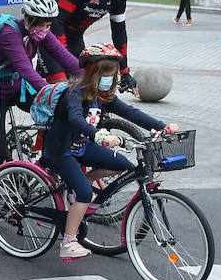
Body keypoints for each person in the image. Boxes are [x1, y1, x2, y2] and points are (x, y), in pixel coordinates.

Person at [40, 44, 177, 261]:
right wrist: (97, 134)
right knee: (86, 193)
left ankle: (79, 186)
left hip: (81, 146)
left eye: (112, 75)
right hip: (61, 150)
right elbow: (75, 118)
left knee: (121, 164)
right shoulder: (75, 92)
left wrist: (162, 126)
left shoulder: (104, 96)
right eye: (106, 74)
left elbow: (130, 112)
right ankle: (68, 242)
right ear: (92, 72)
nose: (109, 79)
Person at [0, 0, 81, 237]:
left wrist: (91, 79)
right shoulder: (9, 34)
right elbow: (26, 69)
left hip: (17, 88)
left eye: (49, 24)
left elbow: (65, 58)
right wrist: (52, 91)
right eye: (41, 24)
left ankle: (47, 163)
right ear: (28, 19)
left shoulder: (41, 32)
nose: (45, 29)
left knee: (60, 115)